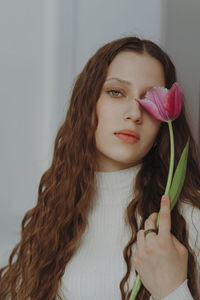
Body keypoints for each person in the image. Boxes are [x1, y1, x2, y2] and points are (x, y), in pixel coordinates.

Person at [0, 36, 200, 300]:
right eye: (116, 92)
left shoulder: (190, 222)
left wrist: (172, 290)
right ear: (87, 104)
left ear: (164, 124)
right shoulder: (50, 217)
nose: (134, 113)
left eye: (150, 100)